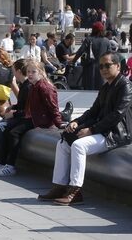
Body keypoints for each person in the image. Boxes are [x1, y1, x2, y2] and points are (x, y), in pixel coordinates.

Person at [38, 52, 132, 205]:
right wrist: (76, 121)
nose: (103, 69)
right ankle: (59, 186)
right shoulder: (106, 87)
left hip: (116, 134)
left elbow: (117, 115)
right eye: (101, 66)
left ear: (118, 66)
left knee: (78, 146)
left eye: (107, 65)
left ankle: (75, 192)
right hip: (103, 130)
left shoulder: (125, 86)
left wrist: (91, 130)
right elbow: (93, 111)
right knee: (62, 144)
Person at [0, 60, 63, 177]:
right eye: (28, 71)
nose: (29, 74)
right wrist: (13, 107)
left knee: (14, 133)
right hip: (32, 117)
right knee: (7, 129)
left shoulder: (44, 87)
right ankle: (2, 162)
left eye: (33, 72)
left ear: (41, 72)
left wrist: (59, 124)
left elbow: (53, 107)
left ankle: (10, 165)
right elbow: (28, 105)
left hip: (39, 120)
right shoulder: (34, 85)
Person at [74, 22, 112, 90]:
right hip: (103, 69)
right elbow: (111, 56)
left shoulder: (88, 39)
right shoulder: (107, 41)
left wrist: (73, 61)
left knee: (89, 90)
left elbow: (80, 51)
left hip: (89, 68)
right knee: (101, 89)